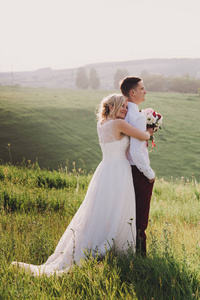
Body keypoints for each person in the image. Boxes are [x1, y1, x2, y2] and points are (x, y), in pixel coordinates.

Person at [12, 94, 152, 276]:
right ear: (111, 107)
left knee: (100, 211)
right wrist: (151, 128)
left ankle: (100, 245)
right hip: (118, 172)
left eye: (126, 106)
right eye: (122, 106)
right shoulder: (119, 124)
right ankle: (116, 251)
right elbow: (143, 136)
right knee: (117, 208)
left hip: (105, 171)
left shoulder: (101, 124)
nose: (126, 109)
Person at [120, 76, 156, 257]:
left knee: (128, 214)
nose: (145, 91)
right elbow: (136, 151)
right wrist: (150, 174)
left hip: (125, 169)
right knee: (141, 218)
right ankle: (141, 258)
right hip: (138, 171)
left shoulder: (123, 114)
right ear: (132, 93)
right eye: (142, 88)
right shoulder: (137, 117)